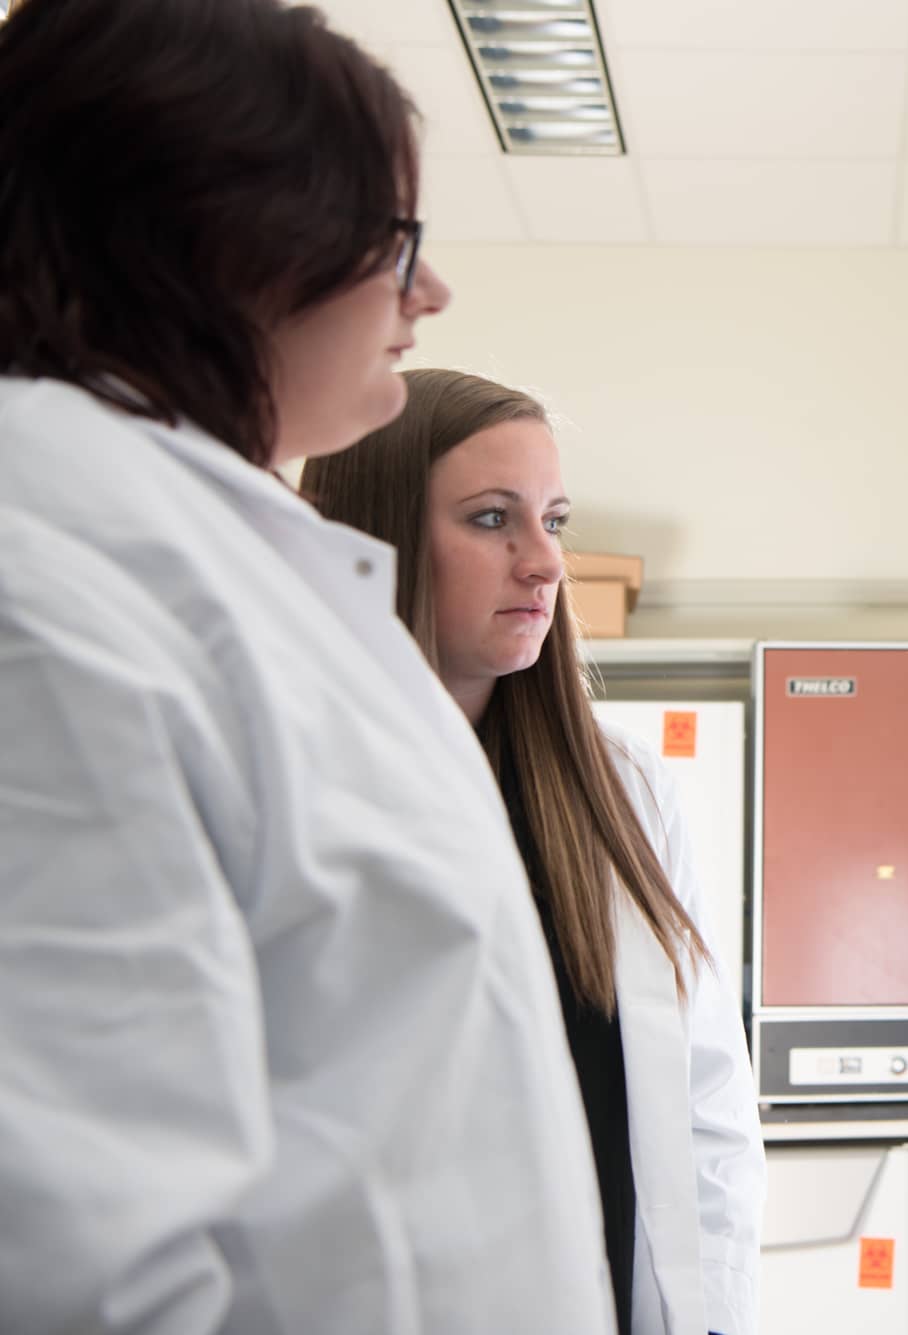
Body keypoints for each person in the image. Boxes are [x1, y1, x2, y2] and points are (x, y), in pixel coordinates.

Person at [0, 2, 616, 1330]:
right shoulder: (47, 583)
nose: (430, 294)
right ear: (228, 233)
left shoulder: (220, 564)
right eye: (399, 241)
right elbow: (81, 1251)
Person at [305, 369, 766, 1335]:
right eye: (489, 520)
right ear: (379, 535)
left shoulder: (621, 791)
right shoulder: (305, 780)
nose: (543, 561)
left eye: (553, 520)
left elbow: (704, 1088)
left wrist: (716, 1312)